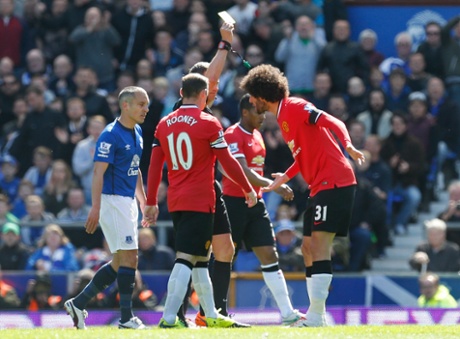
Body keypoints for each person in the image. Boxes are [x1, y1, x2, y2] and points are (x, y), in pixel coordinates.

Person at [240, 64, 365, 327]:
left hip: (335, 181)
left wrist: (349, 145)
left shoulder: (295, 107)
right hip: (319, 185)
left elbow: (333, 121)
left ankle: (317, 318)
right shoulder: (285, 118)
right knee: (307, 248)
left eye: (252, 96)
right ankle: (314, 314)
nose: (250, 101)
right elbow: (302, 155)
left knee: (319, 247)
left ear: (262, 96)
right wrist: (283, 178)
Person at [144, 73, 257, 329]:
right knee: (186, 258)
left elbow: (154, 165)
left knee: (201, 260)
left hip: (176, 198)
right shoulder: (209, 122)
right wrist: (247, 187)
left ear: (181, 93)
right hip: (201, 198)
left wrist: (151, 200)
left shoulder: (164, 124)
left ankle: (211, 314)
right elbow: (227, 161)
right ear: (204, 95)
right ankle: (169, 318)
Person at [170, 22, 250, 326]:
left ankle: (211, 313)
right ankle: (179, 313)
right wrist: (224, 44)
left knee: (224, 248)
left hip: (208, 186)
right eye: (209, 87)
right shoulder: (186, 109)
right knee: (190, 255)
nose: (214, 90)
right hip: (192, 190)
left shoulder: (202, 112)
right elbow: (212, 76)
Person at [64, 86, 150, 330]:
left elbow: (135, 168)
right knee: (130, 257)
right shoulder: (110, 134)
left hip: (127, 201)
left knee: (119, 260)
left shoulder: (138, 131)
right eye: (141, 104)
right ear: (125, 105)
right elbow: (98, 173)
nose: (146, 108)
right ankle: (125, 318)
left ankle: (78, 304)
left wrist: (142, 200)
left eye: (146, 104)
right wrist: (95, 208)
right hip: (112, 201)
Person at [222, 93, 305, 325]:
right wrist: (274, 186)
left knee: (269, 254)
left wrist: (269, 185)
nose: (264, 116)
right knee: (224, 258)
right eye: (259, 111)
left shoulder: (258, 135)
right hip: (233, 202)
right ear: (245, 112)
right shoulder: (232, 135)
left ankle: (288, 313)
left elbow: (254, 173)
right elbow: (241, 172)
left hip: (255, 204)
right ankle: (211, 310)